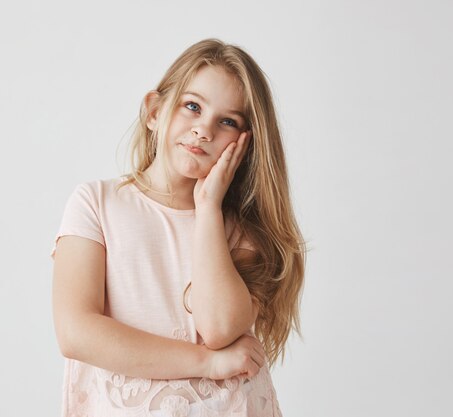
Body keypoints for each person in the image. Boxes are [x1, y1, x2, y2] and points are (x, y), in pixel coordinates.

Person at [50, 38, 306, 417]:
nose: (204, 130)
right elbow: (76, 333)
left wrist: (207, 209)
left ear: (245, 145)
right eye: (192, 106)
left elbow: (218, 327)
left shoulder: (241, 231)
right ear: (154, 111)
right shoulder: (96, 204)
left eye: (227, 121)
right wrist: (208, 363)